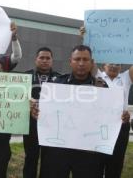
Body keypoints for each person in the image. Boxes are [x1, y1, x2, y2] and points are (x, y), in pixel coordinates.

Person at [31, 45, 130, 178]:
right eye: (77, 59)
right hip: (58, 152)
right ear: (70, 62)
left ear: (92, 63)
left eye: (85, 59)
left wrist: (121, 118)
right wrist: (36, 113)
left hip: (88, 153)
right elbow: (46, 114)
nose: (81, 63)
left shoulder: (102, 87)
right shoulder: (56, 84)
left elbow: (109, 116)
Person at [80, 26, 133, 178]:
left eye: (117, 63)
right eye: (111, 62)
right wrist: (85, 38)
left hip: (120, 125)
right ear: (103, 65)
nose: (114, 65)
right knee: (97, 161)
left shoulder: (125, 78)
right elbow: (87, 58)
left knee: (116, 162)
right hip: (99, 123)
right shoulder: (98, 75)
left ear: (121, 66)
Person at [23, 47, 60, 178]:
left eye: (48, 58)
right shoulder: (25, 76)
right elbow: (17, 98)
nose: (44, 60)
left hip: (51, 126)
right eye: (41, 58)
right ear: (36, 59)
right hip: (30, 125)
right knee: (30, 158)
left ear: (52, 61)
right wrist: (26, 102)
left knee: (48, 161)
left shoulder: (60, 79)